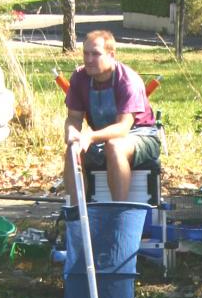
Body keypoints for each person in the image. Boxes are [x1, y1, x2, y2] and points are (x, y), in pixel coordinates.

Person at [63, 29, 160, 203]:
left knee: (114, 146)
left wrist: (90, 136)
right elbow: (74, 118)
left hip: (141, 134)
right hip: (100, 137)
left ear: (111, 55)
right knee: (72, 150)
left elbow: (123, 128)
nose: (89, 59)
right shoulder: (79, 77)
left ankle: (119, 213)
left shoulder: (128, 80)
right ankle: (76, 215)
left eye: (96, 54)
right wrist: (72, 134)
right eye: (85, 53)